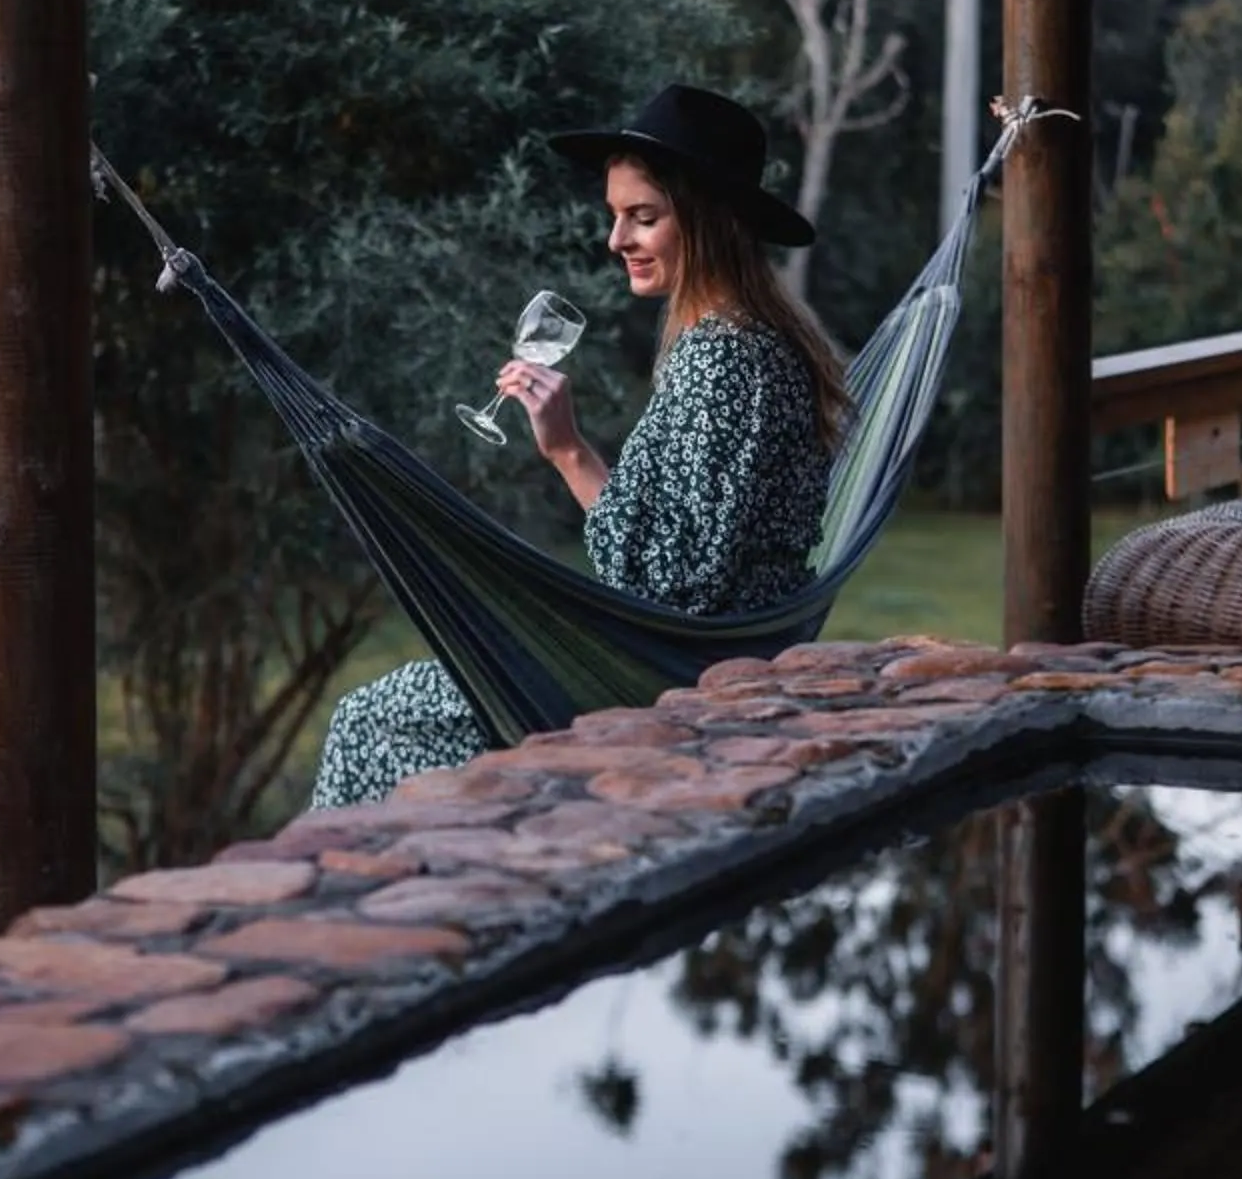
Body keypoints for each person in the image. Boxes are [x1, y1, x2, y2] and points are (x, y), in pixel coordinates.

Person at [308, 83, 851, 809]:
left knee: (369, 720)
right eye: (615, 216)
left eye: (643, 217)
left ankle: (346, 882)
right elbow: (687, 553)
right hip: (693, 652)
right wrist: (571, 452)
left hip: (666, 669)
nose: (616, 240)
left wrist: (568, 454)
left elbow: (675, 583)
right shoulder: (752, 343)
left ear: (708, 218)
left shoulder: (725, 357)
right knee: (402, 712)